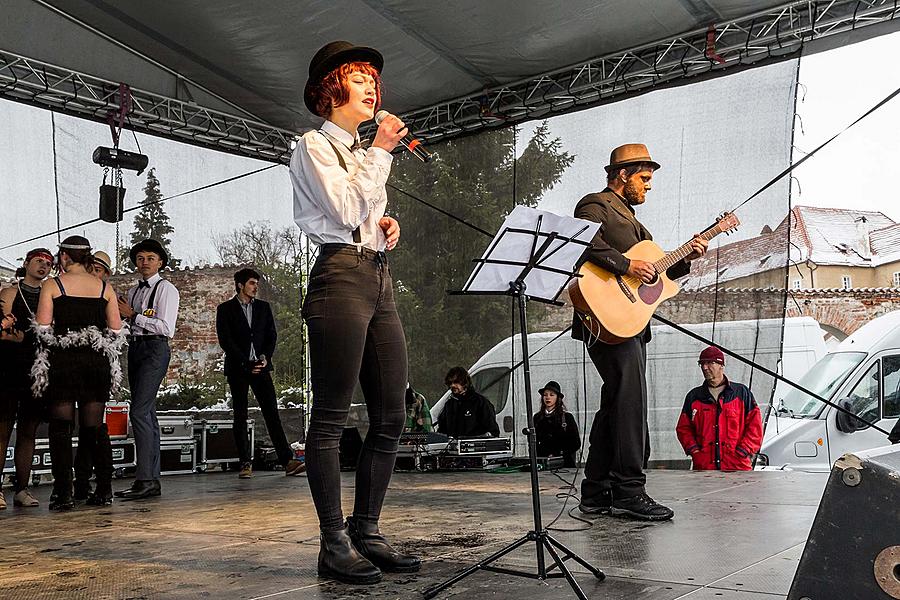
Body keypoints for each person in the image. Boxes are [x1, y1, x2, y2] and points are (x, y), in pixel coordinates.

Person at [290, 40, 419, 585]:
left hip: (377, 274)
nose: (373, 88)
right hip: (339, 276)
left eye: (374, 79)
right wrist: (384, 150)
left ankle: (367, 530)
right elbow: (343, 210)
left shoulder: (366, 154)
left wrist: (387, 228)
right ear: (333, 89)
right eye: (360, 78)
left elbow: (365, 214)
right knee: (332, 417)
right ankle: (333, 540)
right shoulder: (312, 146)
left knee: (392, 412)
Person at [574, 144, 708, 521]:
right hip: (605, 317)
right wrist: (626, 264)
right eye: (644, 179)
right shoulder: (595, 205)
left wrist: (685, 260)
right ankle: (629, 490)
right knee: (629, 404)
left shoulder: (637, 224)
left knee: (616, 403)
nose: (648, 186)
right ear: (622, 174)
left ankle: (596, 490)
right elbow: (584, 241)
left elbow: (656, 278)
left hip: (630, 322)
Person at [32, 236, 124, 510]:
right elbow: (117, 330)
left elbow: (43, 327)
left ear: (64, 257)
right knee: (94, 427)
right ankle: (104, 490)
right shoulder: (104, 288)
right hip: (95, 361)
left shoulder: (53, 284)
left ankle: (63, 493)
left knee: (61, 427)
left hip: (63, 361)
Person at [216, 267, 304, 479]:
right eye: (252, 283)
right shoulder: (225, 309)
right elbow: (226, 341)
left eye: (256, 284)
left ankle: (287, 461)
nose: (256, 287)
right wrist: (246, 362)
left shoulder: (264, 308)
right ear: (240, 285)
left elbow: (271, 336)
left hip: (261, 367)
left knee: (272, 413)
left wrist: (264, 358)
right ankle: (245, 463)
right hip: (238, 369)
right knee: (241, 415)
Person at [115, 239, 179, 500]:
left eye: (150, 258)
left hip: (155, 348)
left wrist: (133, 315)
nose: (145, 263)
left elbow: (166, 328)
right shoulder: (133, 291)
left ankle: (145, 478)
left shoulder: (167, 289)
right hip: (136, 348)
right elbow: (127, 321)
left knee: (139, 412)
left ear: (160, 262)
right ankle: (150, 480)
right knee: (147, 414)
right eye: (140, 258)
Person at [0, 248, 52, 509]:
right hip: (9, 368)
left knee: (28, 431)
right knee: (3, 429)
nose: (43, 266)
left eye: (48, 263)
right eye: (39, 261)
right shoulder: (10, 292)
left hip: (37, 370)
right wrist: (11, 338)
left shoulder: (50, 294)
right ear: (27, 263)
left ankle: (22, 488)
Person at [676, 346, 764, 471]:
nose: (704, 367)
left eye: (710, 362)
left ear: (721, 365)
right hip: (704, 469)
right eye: (701, 363)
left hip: (737, 467)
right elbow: (683, 428)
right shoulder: (694, 397)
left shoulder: (741, 393)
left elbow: (755, 426)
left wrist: (743, 451)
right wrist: (695, 451)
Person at [436, 367, 500, 438]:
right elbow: (442, 431)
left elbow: (493, 432)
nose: (452, 385)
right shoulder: (449, 404)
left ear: (465, 383)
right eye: (450, 383)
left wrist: (472, 440)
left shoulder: (481, 403)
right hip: (453, 447)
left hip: (475, 447)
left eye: (456, 382)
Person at [533, 381, 580, 468]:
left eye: (551, 395)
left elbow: (575, 443)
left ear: (557, 398)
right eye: (545, 395)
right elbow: (534, 442)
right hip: (543, 464)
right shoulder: (537, 418)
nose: (548, 398)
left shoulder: (567, 417)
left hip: (565, 465)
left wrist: (557, 454)